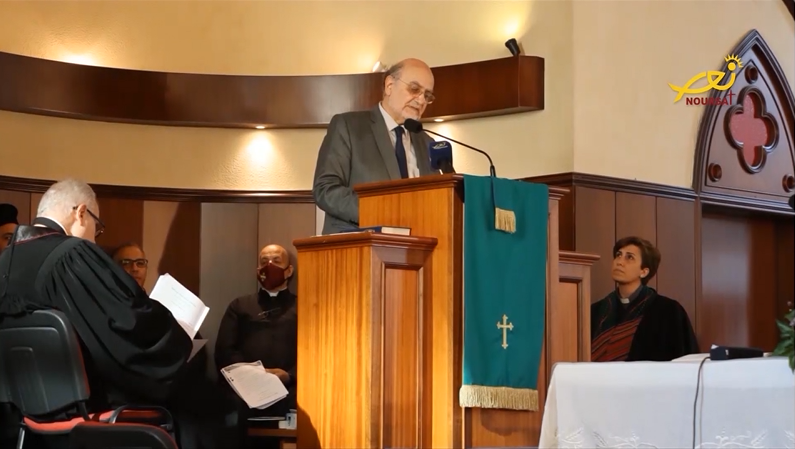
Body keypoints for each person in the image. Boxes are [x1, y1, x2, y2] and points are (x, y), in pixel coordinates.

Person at [0, 178, 240, 449]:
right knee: (216, 407)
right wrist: (173, 331)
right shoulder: (73, 253)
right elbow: (127, 324)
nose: (95, 237)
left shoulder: (7, 261)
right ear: (81, 213)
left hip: (32, 415)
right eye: (97, 227)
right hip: (92, 403)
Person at [313, 58, 439, 234]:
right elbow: (325, 189)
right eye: (414, 89)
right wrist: (380, 212)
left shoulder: (427, 143)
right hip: (358, 244)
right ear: (389, 86)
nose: (421, 100)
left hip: (418, 244)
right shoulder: (348, 126)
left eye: (427, 95)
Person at [215, 244, 297, 417]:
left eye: (276, 261)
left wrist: (290, 375)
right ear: (258, 271)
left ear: (289, 271)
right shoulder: (239, 305)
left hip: (292, 390)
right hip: (244, 392)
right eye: (264, 261)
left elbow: (316, 352)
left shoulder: (303, 307)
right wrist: (253, 376)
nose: (269, 265)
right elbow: (225, 350)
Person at [591, 236, 699, 362]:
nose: (619, 262)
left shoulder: (669, 311)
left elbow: (687, 361)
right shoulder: (595, 311)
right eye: (618, 255)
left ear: (644, 271)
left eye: (629, 257)